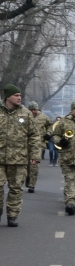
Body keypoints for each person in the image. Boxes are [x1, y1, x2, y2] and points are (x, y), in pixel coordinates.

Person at [0, 85, 39, 226]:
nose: (19, 97)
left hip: (19, 158)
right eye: (16, 95)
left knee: (16, 188)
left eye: (20, 95)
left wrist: (34, 155)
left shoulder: (25, 113)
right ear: (7, 97)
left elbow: (34, 135)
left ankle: (12, 215)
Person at [25, 101, 52, 193]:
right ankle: (28, 177)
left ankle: (32, 185)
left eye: (35, 110)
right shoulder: (24, 116)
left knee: (34, 165)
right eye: (31, 110)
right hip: (25, 144)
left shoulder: (43, 117)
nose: (33, 111)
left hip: (38, 144)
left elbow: (50, 125)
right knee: (26, 164)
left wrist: (48, 133)